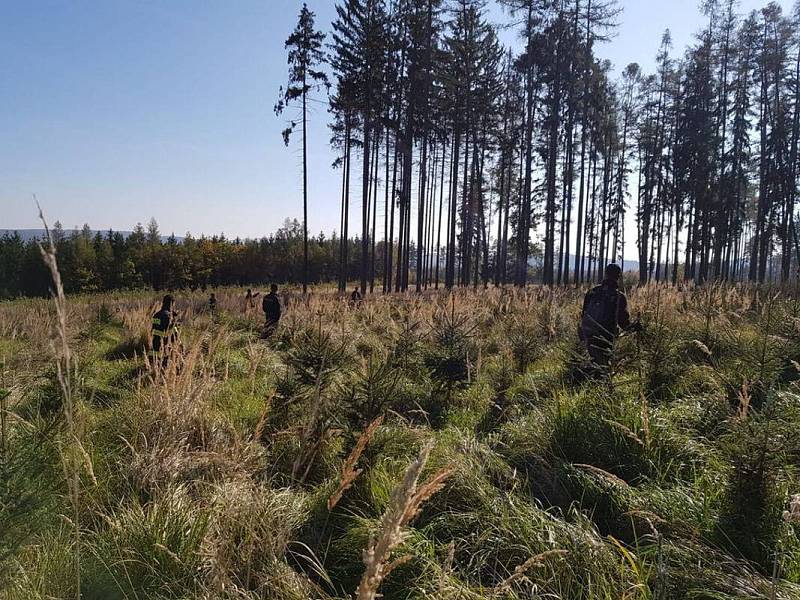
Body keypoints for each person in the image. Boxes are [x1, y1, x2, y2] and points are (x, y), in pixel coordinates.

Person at [579, 264, 641, 373]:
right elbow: (624, 324)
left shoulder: (592, 292)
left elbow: (583, 314)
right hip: (605, 337)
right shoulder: (619, 297)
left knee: (596, 362)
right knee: (604, 367)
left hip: (587, 334)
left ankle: (585, 378)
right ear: (618, 276)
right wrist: (635, 327)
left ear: (605, 274)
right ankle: (595, 381)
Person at [151, 294, 178, 368]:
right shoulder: (169, 316)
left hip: (155, 345)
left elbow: (154, 329)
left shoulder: (156, 315)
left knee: (154, 364)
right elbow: (175, 335)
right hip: (165, 346)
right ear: (172, 304)